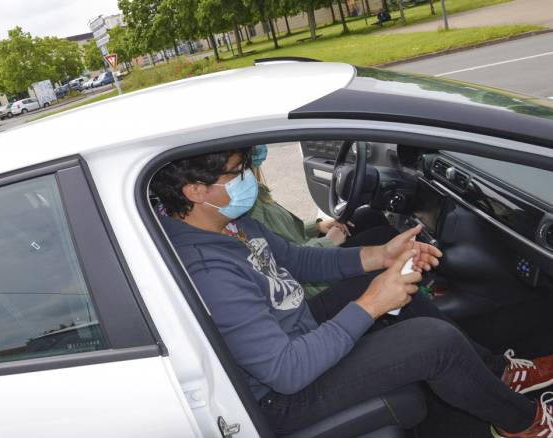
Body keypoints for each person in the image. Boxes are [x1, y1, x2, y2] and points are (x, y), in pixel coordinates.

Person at [151, 147, 553, 437]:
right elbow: (286, 372)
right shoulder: (206, 268)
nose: (247, 179)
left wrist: (382, 255)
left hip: (298, 331)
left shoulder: (229, 226)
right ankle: (523, 424)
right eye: (236, 172)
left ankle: (499, 374)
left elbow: (300, 260)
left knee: (381, 285)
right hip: (284, 395)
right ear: (195, 191)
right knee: (434, 341)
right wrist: (373, 303)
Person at [247, 144, 398, 298]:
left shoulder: (254, 191)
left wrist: (317, 226)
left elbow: (280, 228)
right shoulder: (246, 207)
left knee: (368, 216)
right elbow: (283, 263)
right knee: (385, 236)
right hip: (309, 281)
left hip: (307, 248)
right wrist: (329, 242)